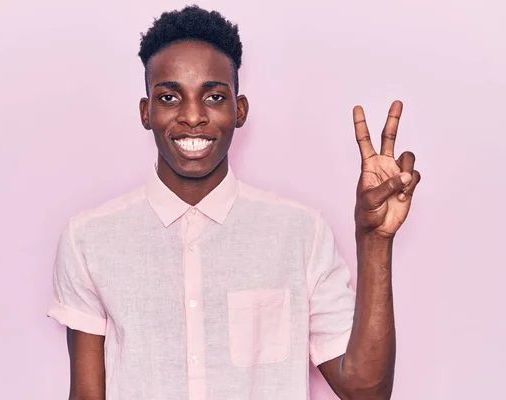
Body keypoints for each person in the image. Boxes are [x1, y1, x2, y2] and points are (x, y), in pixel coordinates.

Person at [47, 5, 421, 400]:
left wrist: (375, 239)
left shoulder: (300, 232)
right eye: (170, 97)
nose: (193, 116)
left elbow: (366, 390)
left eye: (213, 96)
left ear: (239, 110)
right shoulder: (88, 238)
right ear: (147, 112)